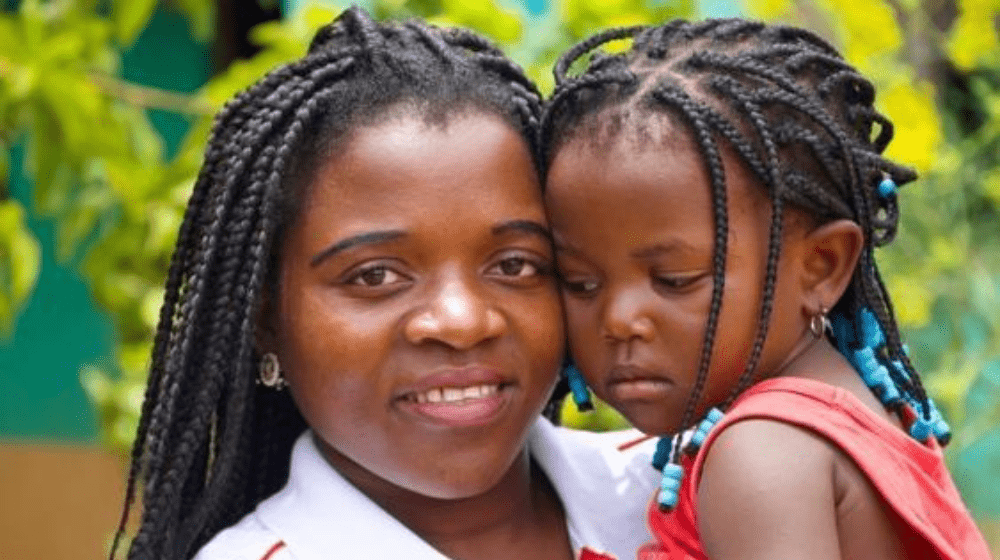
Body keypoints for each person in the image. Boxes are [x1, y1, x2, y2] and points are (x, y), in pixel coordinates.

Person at [110, 8, 659, 560]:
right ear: (267, 322)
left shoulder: (688, 484)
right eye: (375, 276)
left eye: (514, 265)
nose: (463, 322)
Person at [539, 18, 992, 560]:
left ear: (821, 267)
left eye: (675, 280)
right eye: (580, 282)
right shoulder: (863, 417)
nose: (618, 320)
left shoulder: (761, 452)